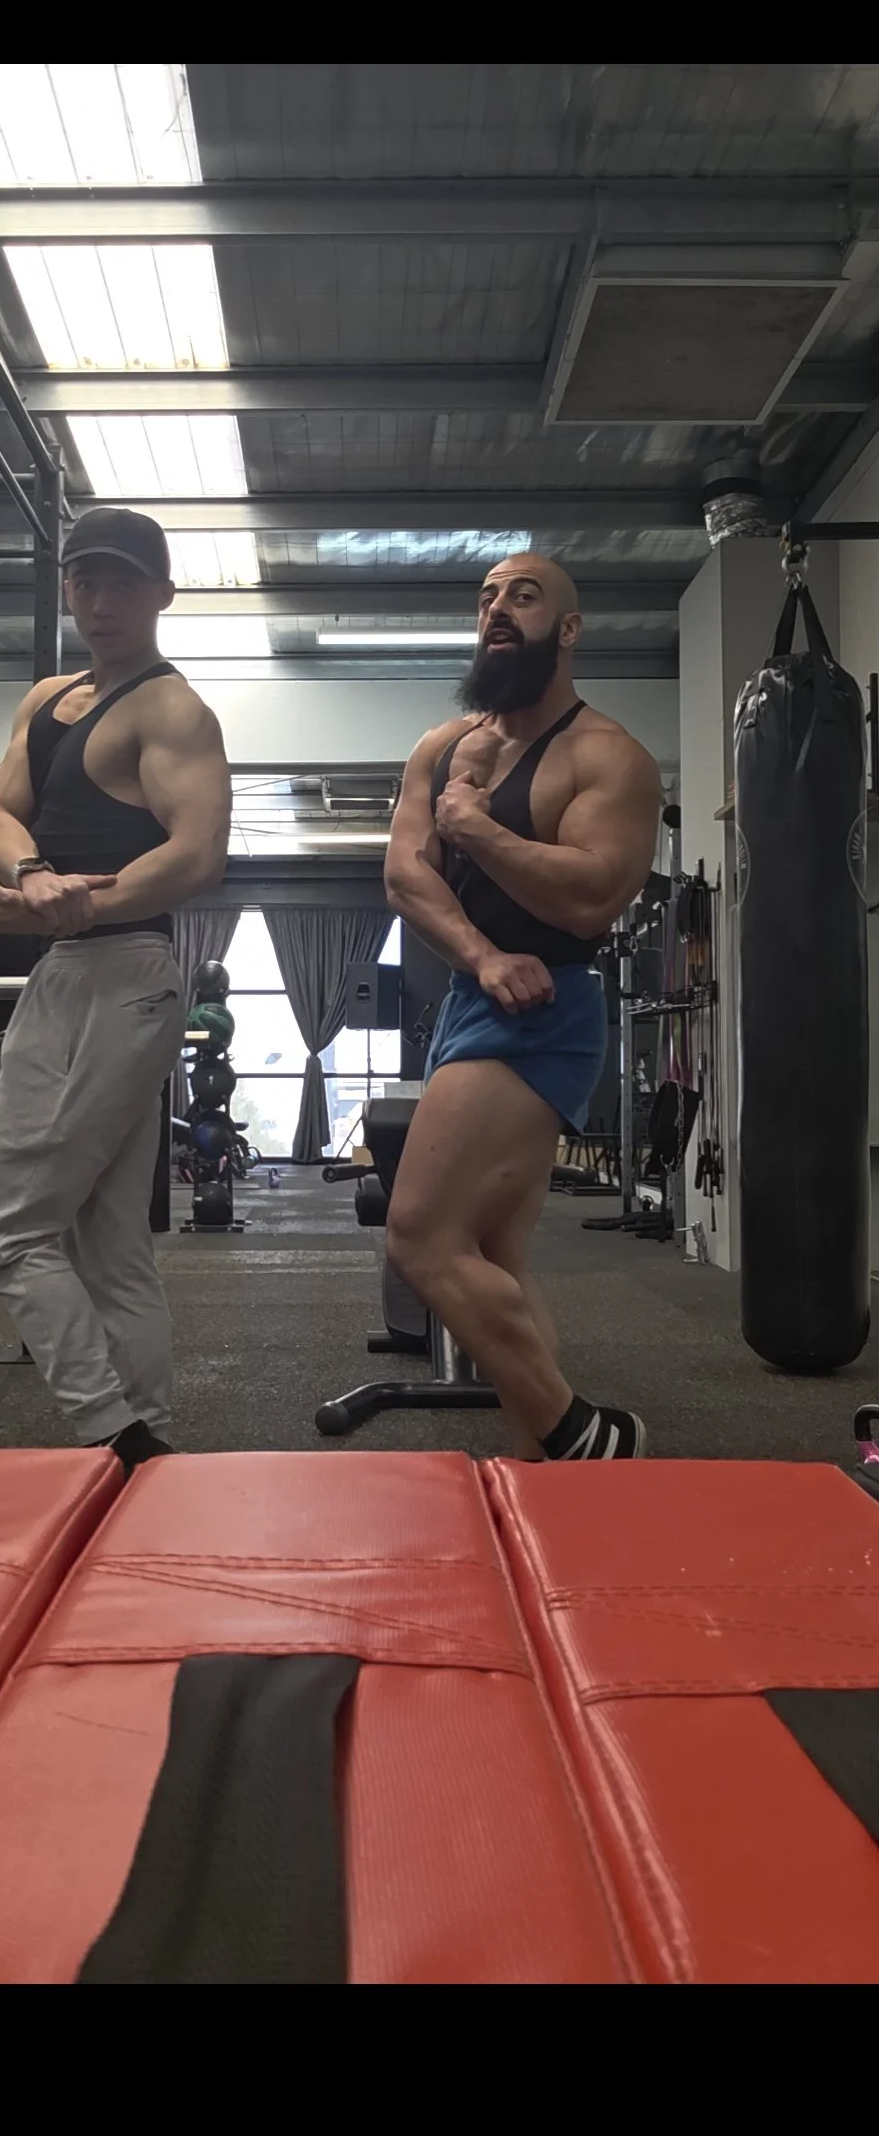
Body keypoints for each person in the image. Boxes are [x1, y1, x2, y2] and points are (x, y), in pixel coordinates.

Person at [384, 551, 663, 1460]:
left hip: (546, 1008)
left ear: (568, 629)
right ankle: (564, 1472)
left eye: (524, 597)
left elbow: (590, 897)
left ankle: (585, 1435)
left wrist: (474, 826)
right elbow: (405, 876)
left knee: (423, 1239)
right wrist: (481, 955)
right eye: (488, 598)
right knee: (496, 1257)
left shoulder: (607, 756)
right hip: (476, 996)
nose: (498, 609)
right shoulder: (440, 747)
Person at [0, 507, 232, 1463]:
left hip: (124, 973)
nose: (102, 600)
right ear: (67, 589)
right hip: (71, 972)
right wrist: (35, 879)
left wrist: (72, 905)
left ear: (163, 593)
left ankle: (112, 1437)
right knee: (110, 1245)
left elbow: (195, 854)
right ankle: (145, 1452)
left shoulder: (172, 711)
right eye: (85, 580)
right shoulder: (46, 700)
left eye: (123, 582)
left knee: (7, 1235)